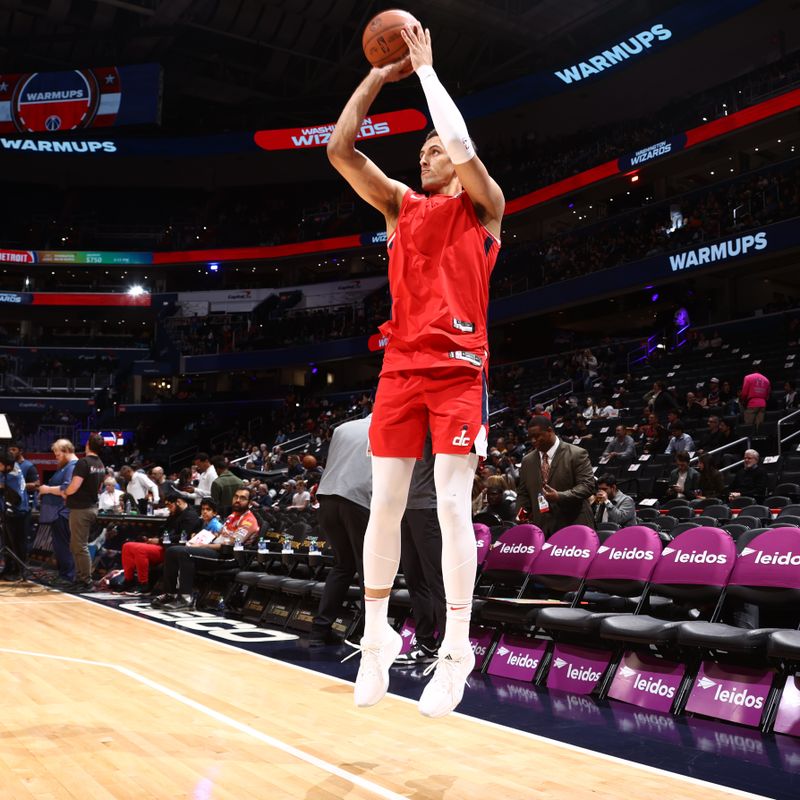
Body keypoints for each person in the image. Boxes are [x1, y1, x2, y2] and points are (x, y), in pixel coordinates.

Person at [327, 23, 504, 717]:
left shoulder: (484, 207)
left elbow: (460, 144)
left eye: (437, 149)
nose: (430, 154)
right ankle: (377, 640)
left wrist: (427, 72)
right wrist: (380, 75)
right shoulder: (401, 206)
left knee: (454, 504)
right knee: (386, 504)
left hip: (461, 369)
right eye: (422, 149)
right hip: (400, 367)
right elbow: (341, 149)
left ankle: (456, 649)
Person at [310, 417, 372, 646]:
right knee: (370, 570)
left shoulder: (342, 428)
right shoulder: (390, 428)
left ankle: (320, 630)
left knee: (342, 566)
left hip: (327, 497)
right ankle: (368, 635)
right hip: (358, 499)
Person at [151, 487, 259, 610]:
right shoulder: (231, 516)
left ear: (250, 503)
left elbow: (229, 545)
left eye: (243, 498)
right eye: (236, 497)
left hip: (229, 557)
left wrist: (203, 545)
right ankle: (169, 594)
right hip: (215, 550)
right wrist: (199, 540)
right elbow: (219, 536)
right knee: (172, 551)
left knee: (186, 554)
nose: (238, 500)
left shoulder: (249, 521)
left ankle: (185, 598)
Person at [516, 416, 595, 536]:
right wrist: (521, 514)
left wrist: (559, 496)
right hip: (542, 527)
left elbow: (587, 486)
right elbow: (523, 493)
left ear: (549, 431)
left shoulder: (576, 454)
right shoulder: (527, 461)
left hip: (574, 524)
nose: (533, 441)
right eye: (530, 437)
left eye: (537, 436)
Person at [119, 493, 202, 593]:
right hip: (162, 544)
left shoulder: (191, 516)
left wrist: (159, 540)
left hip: (173, 548)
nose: (168, 509)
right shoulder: (173, 514)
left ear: (178, 502)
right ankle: (129, 580)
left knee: (139, 549)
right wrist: (151, 538)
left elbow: (184, 536)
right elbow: (163, 530)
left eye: (169, 505)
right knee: (127, 546)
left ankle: (144, 583)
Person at [61, 433, 105, 592]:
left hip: (81, 509)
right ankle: (80, 578)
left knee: (79, 546)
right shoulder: (100, 464)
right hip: (91, 507)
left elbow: (75, 485)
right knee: (77, 545)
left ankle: (86, 581)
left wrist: (65, 492)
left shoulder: (83, 463)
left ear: (88, 445)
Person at [37, 439, 78, 585]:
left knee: (63, 545)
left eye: (58, 454)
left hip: (62, 511)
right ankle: (64, 574)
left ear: (66, 451)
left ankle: (67, 576)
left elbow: (66, 488)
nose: (56, 457)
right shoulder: (66, 466)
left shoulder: (72, 467)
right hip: (57, 511)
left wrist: (47, 489)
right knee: (60, 545)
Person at [0, 449, 29, 580]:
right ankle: (9, 568)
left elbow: (5, 488)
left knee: (17, 543)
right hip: (10, 512)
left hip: (18, 512)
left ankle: (19, 571)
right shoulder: (12, 466)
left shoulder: (12, 475)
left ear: (6, 464)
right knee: (8, 543)